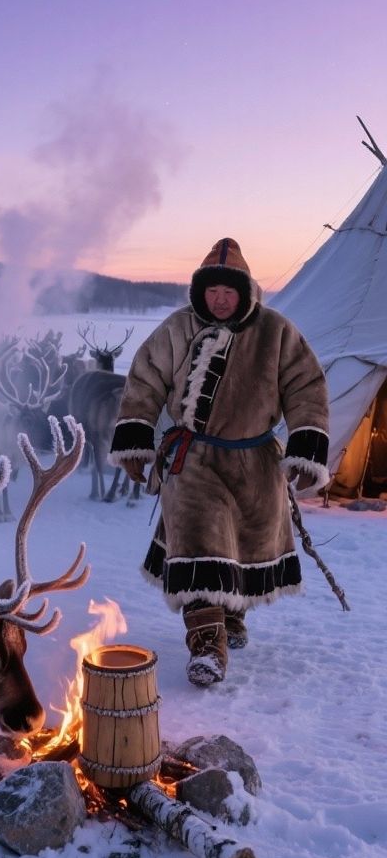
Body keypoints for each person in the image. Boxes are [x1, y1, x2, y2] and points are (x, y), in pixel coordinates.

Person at [109, 237, 330, 688]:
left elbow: (306, 385)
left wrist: (306, 446)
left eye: (229, 291)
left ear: (245, 291)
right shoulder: (176, 329)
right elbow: (145, 380)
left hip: (256, 463)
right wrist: (136, 438)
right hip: (193, 459)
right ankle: (207, 645)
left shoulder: (276, 331)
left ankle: (230, 616)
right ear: (200, 291)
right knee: (197, 543)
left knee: (240, 545)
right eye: (212, 291)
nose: (220, 299)